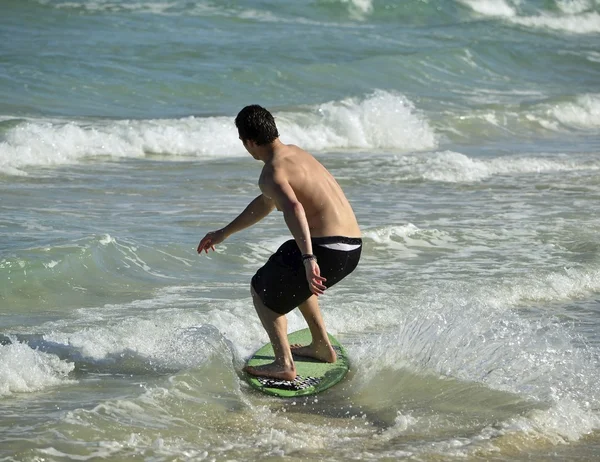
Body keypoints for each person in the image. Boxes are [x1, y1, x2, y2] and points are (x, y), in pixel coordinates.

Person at [197, 105, 362, 381]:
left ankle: (284, 364)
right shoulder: (296, 154)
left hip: (325, 250)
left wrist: (309, 260)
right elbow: (267, 202)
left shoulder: (271, 172)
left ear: (249, 142)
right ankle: (322, 346)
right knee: (290, 268)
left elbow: (294, 208)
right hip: (352, 248)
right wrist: (224, 232)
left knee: (261, 289)